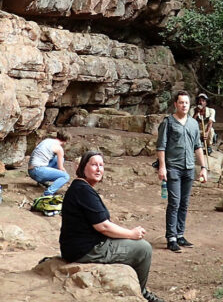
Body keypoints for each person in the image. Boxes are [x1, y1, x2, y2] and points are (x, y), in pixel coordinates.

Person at [60, 150, 165, 302]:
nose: (98, 169)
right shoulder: (83, 191)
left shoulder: (80, 188)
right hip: (86, 250)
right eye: (94, 165)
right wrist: (131, 234)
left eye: (101, 165)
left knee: (129, 243)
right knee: (143, 248)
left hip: (76, 247)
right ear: (83, 168)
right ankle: (142, 293)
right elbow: (103, 227)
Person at [156, 90, 208, 252]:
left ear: (189, 105)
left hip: (189, 168)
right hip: (173, 167)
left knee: (184, 203)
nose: (184, 105)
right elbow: (161, 146)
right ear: (175, 104)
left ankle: (180, 234)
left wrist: (204, 168)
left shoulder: (193, 124)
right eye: (181, 102)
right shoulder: (168, 123)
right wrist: (162, 167)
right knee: (174, 202)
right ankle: (171, 237)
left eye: (186, 102)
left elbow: (197, 147)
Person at [28, 130, 70, 197]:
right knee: (65, 176)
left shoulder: (47, 140)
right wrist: (66, 176)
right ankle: (48, 193)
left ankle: (42, 182)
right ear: (65, 141)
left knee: (57, 159)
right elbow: (61, 168)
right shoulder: (59, 148)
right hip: (38, 171)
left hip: (31, 170)